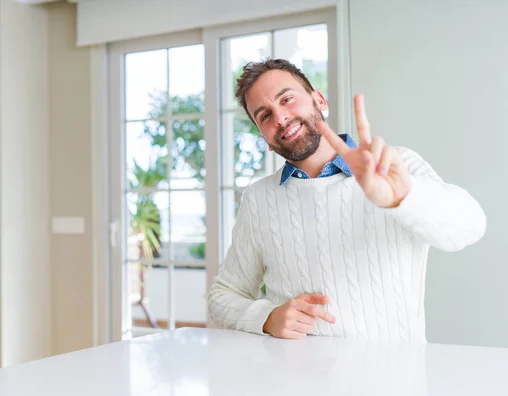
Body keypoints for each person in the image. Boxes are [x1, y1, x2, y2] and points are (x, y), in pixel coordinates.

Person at [207, 59, 486, 342]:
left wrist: (404, 197)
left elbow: (471, 227)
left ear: (319, 99)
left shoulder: (395, 167)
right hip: (293, 381)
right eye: (265, 115)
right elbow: (222, 297)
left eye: (287, 99)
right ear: (264, 138)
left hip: (395, 380)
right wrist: (265, 318)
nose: (280, 117)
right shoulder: (259, 199)